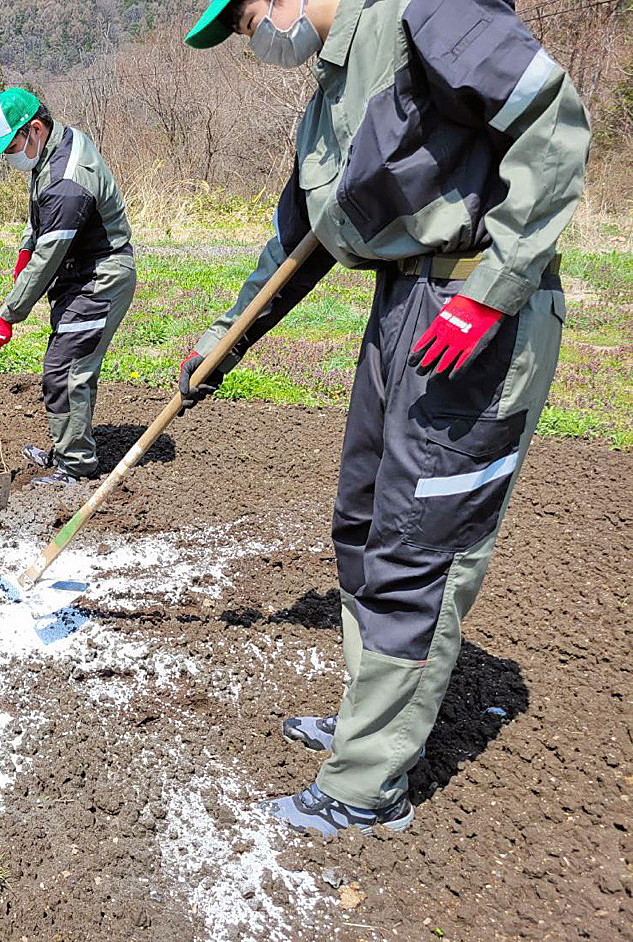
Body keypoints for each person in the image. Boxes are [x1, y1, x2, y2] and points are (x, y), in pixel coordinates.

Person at [180, 0, 589, 835]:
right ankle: (370, 722)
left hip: (473, 311)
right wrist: (225, 341)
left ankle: (368, 787)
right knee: (365, 521)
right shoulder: (329, 97)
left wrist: (491, 291)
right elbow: (298, 243)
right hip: (403, 306)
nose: (254, 40)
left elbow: (553, 119)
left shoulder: (425, 11)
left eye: (247, 20)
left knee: (418, 539)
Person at [0, 88, 136, 485]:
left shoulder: (68, 180)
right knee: (71, 365)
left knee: (64, 370)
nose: (8, 156)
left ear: (34, 128)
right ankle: (69, 447)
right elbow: (41, 216)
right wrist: (24, 248)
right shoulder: (54, 145)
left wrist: (7, 316)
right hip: (79, 272)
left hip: (100, 277)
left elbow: (48, 258)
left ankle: (75, 467)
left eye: (10, 146)